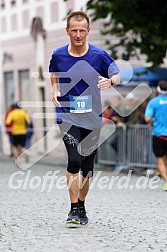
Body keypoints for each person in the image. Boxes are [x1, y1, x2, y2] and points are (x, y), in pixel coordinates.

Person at [49, 11, 120, 225]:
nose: (78, 34)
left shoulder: (98, 55)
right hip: (68, 115)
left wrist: (111, 82)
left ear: (88, 31)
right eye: (74, 30)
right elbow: (54, 72)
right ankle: (72, 210)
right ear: (67, 31)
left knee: (87, 167)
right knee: (74, 160)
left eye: (82, 30)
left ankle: (81, 205)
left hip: (92, 118)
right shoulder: (58, 54)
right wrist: (55, 89)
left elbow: (115, 72)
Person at [145, 81, 167, 191]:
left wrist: (152, 123)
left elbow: (147, 118)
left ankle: (166, 182)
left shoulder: (154, 102)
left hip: (159, 135)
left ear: (158, 90)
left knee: (160, 160)